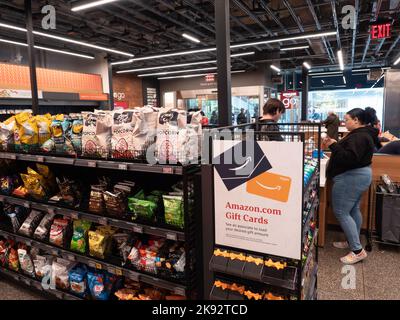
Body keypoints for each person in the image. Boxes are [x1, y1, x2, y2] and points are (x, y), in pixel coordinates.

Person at [323, 108, 378, 265]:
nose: (344, 122)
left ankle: (357, 251)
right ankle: (352, 240)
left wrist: (334, 145)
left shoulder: (359, 136)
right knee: (353, 210)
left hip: (351, 177)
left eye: (346, 119)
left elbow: (350, 158)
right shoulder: (363, 134)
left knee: (341, 211)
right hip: (358, 176)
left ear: (356, 120)